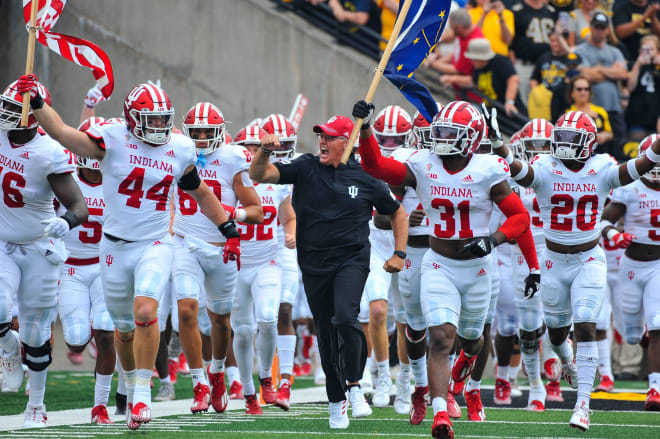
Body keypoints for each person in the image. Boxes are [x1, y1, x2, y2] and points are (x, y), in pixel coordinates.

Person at [18, 76, 242, 431]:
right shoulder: (113, 138)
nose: (160, 126)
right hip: (114, 246)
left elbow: (198, 190)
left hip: (156, 242)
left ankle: (141, 394)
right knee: (122, 330)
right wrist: (39, 103)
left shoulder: (179, 147)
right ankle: (130, 385)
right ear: (132, 118)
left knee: (145, 310)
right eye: (152, 120)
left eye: (164, 119)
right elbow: (62, 133)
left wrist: (227, 226)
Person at [355, 99, 539, 439]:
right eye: (438, 130)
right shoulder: (423, 163)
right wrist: (365, 129)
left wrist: (494, 240)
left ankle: (464, 370)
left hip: (477, 266)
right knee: (440, 337)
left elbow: (520, 217)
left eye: (449, 132)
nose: (439, 137)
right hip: (437, 263)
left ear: (470, 138)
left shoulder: (488, 168)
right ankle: (441, 413)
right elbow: (376, 167)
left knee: (472, 340)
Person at [488, 105, 660, 430]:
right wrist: (498, 144)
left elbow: (642, 165)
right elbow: (517, 171)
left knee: (585, 324)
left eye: (572, 138)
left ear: (589, 142)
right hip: (553, 261)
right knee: (554, 334)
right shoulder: (546, 167)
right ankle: (567, 359)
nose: (564, 144)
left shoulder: (602, 168)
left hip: (589, 258)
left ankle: (582, 405)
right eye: (562, 137)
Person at [249, 114, 409, 429]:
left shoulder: (365, 176)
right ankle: (336, 401)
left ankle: (355, 385)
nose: (322, 141)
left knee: (345, 317)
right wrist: (264, 150)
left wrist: (400, 253)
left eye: (330, 136)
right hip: (313, 262)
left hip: (352, 259)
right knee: (325, 330)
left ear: (346, 144)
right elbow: (261, 174)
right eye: (321, 135)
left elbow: (397, 213)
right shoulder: (306, 167)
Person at [0, 79, 88, 428]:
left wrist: (66, 222)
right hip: (3, 241)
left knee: (36, 333)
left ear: (33, 116)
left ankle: (36, 405)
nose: (5, 113)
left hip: (39, 246)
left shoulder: (48, 151)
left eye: (13, 107)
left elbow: (79, 206)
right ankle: (8, 346)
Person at [172, 102, 263, 415]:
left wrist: (231, 214)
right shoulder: (177, 150)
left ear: (219, 132)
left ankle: (218, 373)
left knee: (221, 320)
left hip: (223, 247)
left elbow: (257, 211)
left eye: (205, 131)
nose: (198, 137)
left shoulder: (232, 158)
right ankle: (199, 384)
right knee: (186, 309)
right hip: (185, 243)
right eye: (194, 131)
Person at [232, 124, 295, 414]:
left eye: (256, 147)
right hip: (234, 265)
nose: (252, 153)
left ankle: (267, 378)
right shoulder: (229, 181)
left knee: (268, 318)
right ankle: (247, 392)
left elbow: (288, 217)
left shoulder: (276, 181)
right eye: (247, 147)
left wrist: (291, 232)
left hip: (267, 261)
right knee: (243, 331)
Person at [57, 116, 116, 425]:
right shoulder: (62, 178)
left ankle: (100, 406)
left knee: (106, 334)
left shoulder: (117, 183)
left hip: (104, 267)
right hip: (70, 269)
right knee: (78, 339)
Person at [600, 133, 660, 411]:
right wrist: (614, 235)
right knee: (632, 334)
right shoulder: (631, 186)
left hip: (658, 265)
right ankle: (644, 332)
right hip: (631, 266)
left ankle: (655, 390)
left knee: (658, 324)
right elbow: (603, 221)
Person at [575, 11, 629, 159]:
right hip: (591, 110)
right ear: (591, 27)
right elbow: (584, 75)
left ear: (607, 29)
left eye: (602, 27)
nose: (599, 30)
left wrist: (598, 69)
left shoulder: (615, 51)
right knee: (592, 151)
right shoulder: (580, 50)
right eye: (597, 26)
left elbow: (624, 74)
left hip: (614, 108)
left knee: (619, 152)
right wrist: (611, 71)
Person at [511, 0, 559, 104]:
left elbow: (556, 36)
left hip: (546, 65)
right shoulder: (518, 10)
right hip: (525, 63)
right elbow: (511, 39)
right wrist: (513, 60)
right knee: (525, 99)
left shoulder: (551, 11)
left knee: (548, 99)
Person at [464, 38, 524, 116]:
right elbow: (473, 81)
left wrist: (509, 102)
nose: (471, 60)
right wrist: (451, 79)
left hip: (509, 112)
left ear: (481, 58)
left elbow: (513, 79)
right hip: (491, 111)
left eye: (472, 58)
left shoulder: (500, 61)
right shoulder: (478, 68)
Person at [566, 75, 615, 152]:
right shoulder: (567, 114)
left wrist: (605, 136)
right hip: (576, 155)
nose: (583, 92)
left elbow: (610, 133)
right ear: (571, 93)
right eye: (579, 89)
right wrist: (586, 117)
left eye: (586, 89)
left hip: (599, 153)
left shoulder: (600, 111)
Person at [625, 35, 660, 141]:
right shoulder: (633, 64)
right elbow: (630, 87)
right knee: (637, 145)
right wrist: (638, 64)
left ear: (658, 51)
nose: (648, 52)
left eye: (651, 49)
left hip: (656, 114)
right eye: (645, 49)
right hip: (637, 114)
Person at [613, 0, 660, 66]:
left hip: (653, 59)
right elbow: (620, 33)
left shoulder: (655, 6)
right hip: (629, 59)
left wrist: (653, 18)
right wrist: (645, 16)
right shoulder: (622, 5)